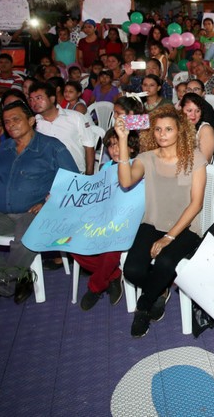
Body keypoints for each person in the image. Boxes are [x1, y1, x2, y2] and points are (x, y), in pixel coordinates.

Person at [0, 101, 78, 309]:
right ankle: (16, 278)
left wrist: (48, 202)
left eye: (16, 119)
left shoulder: (51, 147)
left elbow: (73, 180)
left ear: (31, 121)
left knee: (24, 240)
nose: (11, 125)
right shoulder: (4, 149)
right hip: (1, 211)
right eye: (6, 122)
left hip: (36, 211)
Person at [118, 105, 207, 337]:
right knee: (132, 270)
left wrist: (169, 237)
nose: (162, 134)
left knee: (165, 263)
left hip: (186, 227)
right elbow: (125, 182)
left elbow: (196, 204)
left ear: (180, 131)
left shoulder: (195, 159)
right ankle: (159, 289)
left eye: (168, 129)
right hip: (153, 222)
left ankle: (144, 306)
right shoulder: (146, 158)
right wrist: (123, 140)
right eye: (157, 129)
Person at [72, 127, 139, 310]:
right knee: (71, 240)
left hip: (128, 222)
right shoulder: (106, 168)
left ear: (131, 147)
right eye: (111, 146)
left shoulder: (137, 166)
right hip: (104, 219)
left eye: (119, 145)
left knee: (110, 248)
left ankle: (96, 286)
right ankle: (114, 274)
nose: (115, 150)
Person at [28, 81, 97, 175]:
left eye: (38, 98)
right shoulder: (34, 123)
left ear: (52, 99)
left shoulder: (75, 117)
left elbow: (89, 146)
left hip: (76, 173)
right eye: (31, 100)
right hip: (47, 174)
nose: (34, 103)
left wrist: (89, 176)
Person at [179, 93, 214, 162]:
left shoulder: (206, 130)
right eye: (189, 110)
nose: (193, 115)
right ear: (181, 110)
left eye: (197, 111)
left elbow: (204, 161)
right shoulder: (176, 125)